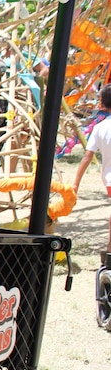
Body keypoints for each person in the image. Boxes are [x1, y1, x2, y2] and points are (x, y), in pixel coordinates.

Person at [74, 85, 111, 265]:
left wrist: (76, 183)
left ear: (103, 104)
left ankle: (110, 250)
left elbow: (87, 157)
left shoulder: (99, 128)